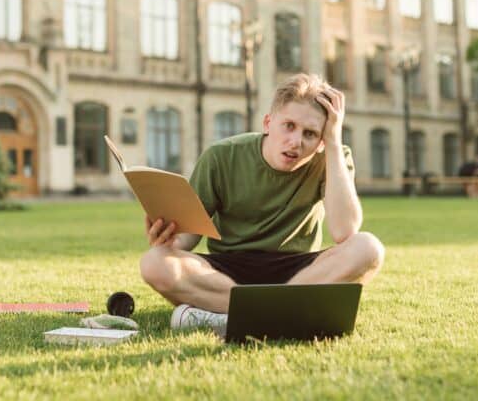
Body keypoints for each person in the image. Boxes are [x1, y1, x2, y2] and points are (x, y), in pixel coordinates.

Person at [139, 73, 385, 335]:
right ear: (268, 123)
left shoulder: (333, 157)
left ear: (321, 140)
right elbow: (185, 241)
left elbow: (344, 231)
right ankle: (281, 313)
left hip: (299, 271)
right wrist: (167, 238)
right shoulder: (222, 156)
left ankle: (235, 315)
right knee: (155, 262)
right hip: (226, 270)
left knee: (368, 248)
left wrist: (334, 143)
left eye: (311, 134)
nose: (296, 142)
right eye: (289, 126)